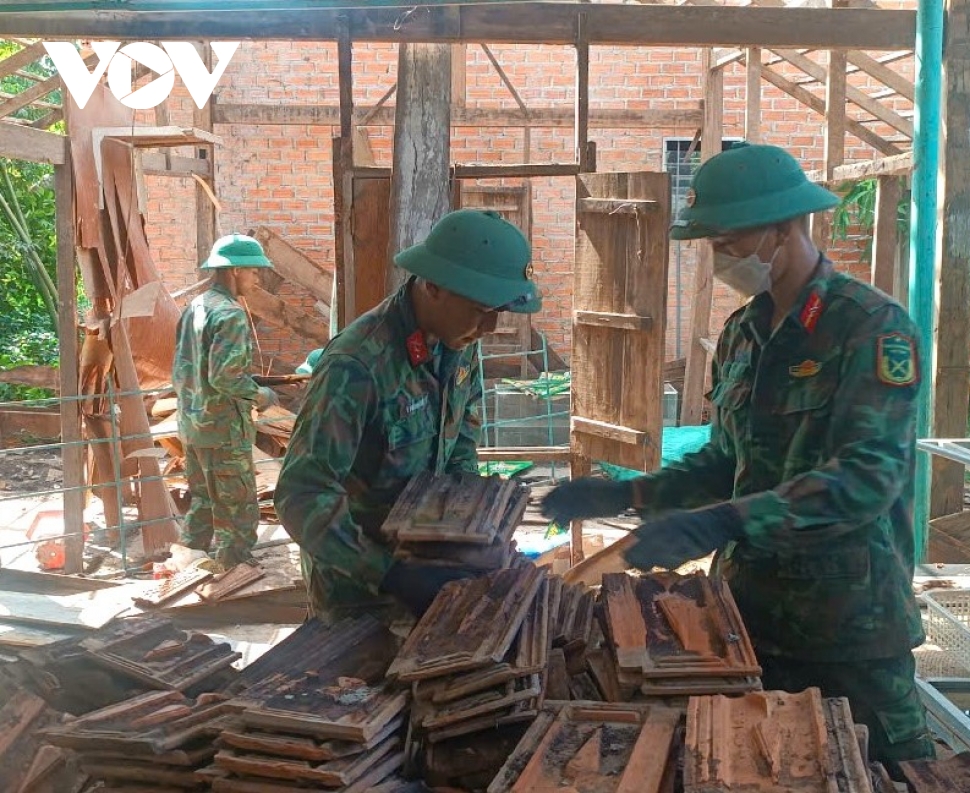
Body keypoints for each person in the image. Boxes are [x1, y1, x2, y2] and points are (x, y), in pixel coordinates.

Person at [542, 142, 934, 774]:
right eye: (713, 242)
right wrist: (629, 496)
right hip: (747, 614)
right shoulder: (744, 334)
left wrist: (723, 521)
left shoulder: (869, 328)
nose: (720, 255)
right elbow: (726, 460)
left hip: (848, 624)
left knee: (890, 774)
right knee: (760, 769)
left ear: (784, 226)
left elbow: (866, 480)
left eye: (729, 239)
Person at [275, 209, 542, 624]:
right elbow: (300, 495)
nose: (490, 326)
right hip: (358, 595)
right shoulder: (356, 365)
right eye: (480, 309)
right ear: (433, 286)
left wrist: (467, 530)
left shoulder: (459, 342)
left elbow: (460, 444)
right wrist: (391, 574)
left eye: (499, 311)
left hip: (431, 573)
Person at [172, 234, 278, 571]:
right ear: (234, 271)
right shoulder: (230, 314)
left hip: (192, 423)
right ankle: (235, 572)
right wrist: (260, 395)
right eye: (254, 271)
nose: (257, 278)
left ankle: (189, 561)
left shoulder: (196, 306)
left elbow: (185, 367)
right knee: (237, 506)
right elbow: (225, 378)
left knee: (202, 499)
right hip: (223, 429)